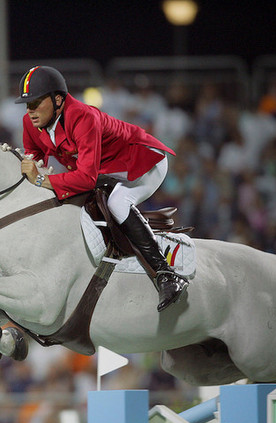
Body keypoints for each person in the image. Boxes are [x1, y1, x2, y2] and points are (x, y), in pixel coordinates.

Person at [15, 65, 187, 312]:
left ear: (58, 100)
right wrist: (34, 171)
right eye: (27, 105)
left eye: (36, 103)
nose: (30, 111)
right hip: (105, 170)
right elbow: (33, 160)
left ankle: (166, 274)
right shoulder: (30, 122)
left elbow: (84, 178)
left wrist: (42, 180)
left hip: (143, 161)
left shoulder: (83, 117)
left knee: (117, 203)